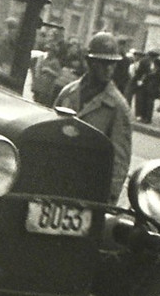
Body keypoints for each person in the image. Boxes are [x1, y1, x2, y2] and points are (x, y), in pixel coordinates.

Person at [54, 31, 132, 202]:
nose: (109, 69)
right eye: (103, 63)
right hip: (55, 179)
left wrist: (109, 198)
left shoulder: (117, 107)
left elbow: (120, 160)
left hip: (88, 188)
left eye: (113, 64)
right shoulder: (68, 93)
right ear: (89, 62)